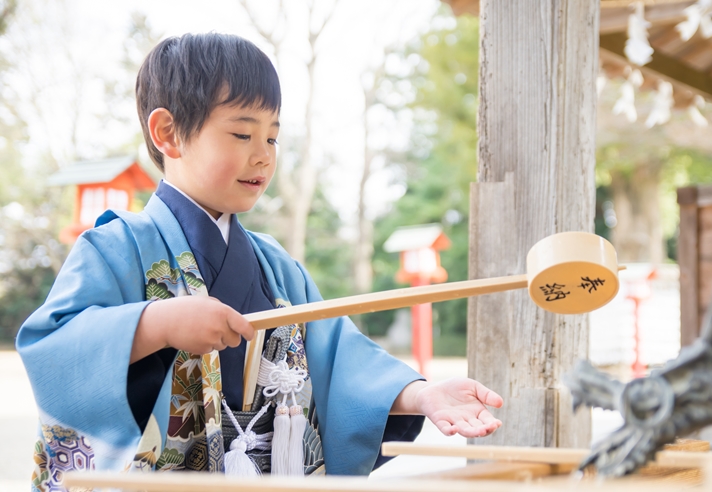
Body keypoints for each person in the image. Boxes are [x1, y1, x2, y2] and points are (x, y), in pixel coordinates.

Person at [16, 33, 503, 490]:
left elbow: (341, 359)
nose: (264, 157)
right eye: (242, 134)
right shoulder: (116, 248)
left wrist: (421, 394)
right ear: (168, 133)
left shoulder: (277, 265)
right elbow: (53, 349)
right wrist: (156, 323)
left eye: (271, 138)